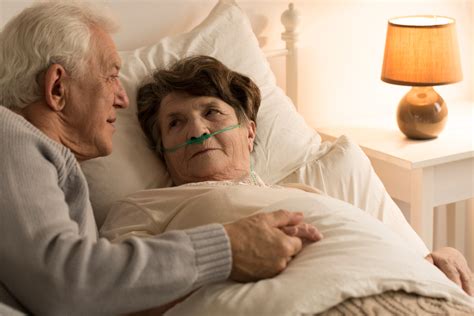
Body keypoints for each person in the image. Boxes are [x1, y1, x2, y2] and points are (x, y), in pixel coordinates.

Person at [0, 2, 320, 315]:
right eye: (112, 76)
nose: (123, 98)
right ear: (57, 87)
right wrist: (228, 248)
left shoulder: (45, 161)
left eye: (212, 112)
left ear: (250, 132)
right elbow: (64, 283)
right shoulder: (10, 135)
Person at [102, 55, 473, 307]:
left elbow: (377, 250)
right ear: (163, 152)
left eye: (211, 111)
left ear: (249, 132)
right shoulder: (144, 207)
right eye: (175, 122)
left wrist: (437, 259)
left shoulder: (306, 194)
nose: (197, 128)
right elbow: (109, 298)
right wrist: (224, 261)